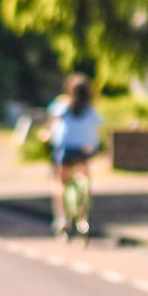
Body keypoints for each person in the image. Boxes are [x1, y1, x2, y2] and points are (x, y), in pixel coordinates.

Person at [45, 75, 103, 237]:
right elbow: (97, 127)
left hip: (65, 150)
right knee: (84, 176)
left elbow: (50, 126)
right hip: (84, 151)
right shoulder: (90, 110)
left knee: (59, 183)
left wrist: (46, 135)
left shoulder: (62, 106)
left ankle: (61, 219)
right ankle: (84, 212)